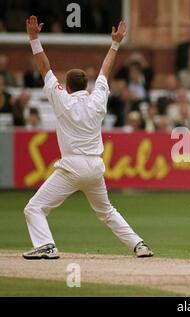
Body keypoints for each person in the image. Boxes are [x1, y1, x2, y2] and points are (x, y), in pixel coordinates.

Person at [22, 16, 153, 260]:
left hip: (72, 166)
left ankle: (47, 245)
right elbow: (105, 70)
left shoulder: (61, 99)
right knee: (106, 211)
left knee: (35, 208)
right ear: (86, 85)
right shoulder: (97, 99)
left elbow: (44, 68)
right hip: (94, 167)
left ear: (68, 87)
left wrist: (33, 38)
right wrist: (115, 44)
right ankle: (139, 245)